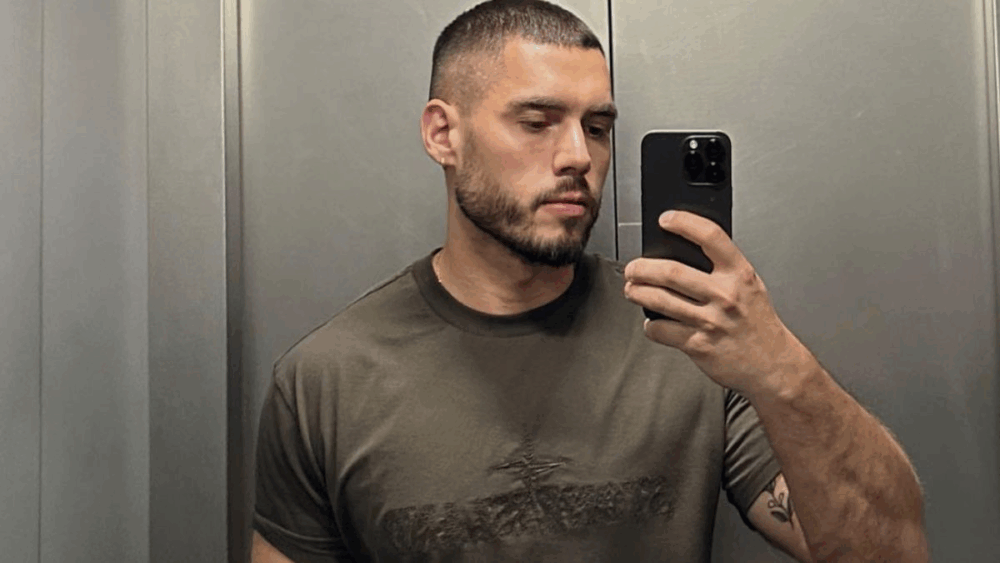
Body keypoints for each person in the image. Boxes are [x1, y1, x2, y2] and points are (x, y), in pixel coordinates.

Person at [251, 1, 929, 561]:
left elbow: (891, 554)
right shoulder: (325, 381)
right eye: (537, 122)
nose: (579, 155)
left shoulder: (687, 338)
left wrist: (780, 366)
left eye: (598, 127)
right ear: (442, 134)